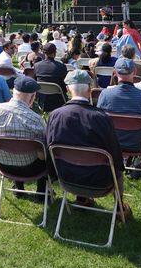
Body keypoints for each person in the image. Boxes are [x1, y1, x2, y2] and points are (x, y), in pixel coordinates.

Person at [46, 69, 127, 212]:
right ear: (90, 89)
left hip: (66, 178)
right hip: (100, 182)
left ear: (67, 89)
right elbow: (116, 156)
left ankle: (81, 198)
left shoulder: (55, 115)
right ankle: (120, 206)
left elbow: (50, 149)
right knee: (117, 168)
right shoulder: (101, 118)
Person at [0, 75, 48, 199]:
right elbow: (43, 151)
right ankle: (41, 194)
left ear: (13, 93)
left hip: (3, 165)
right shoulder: (36, 120)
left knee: (13, 146)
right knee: (45, 156)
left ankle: (19, 190)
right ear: (32, 97)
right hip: (31, 169)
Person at [95, 59, 141, 153]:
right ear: (135, 71)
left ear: (114, 72)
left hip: (111, 144)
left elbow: (99, 120)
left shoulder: (105, 95)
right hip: (139, 145)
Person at [33, 43, 68, 112]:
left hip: (42, 101)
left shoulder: (36, 65)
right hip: (58, 101)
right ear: (55, 53)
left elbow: (35, 83)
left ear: (43, 53)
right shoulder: (61, 67)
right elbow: (64, 88)